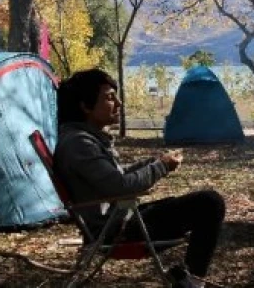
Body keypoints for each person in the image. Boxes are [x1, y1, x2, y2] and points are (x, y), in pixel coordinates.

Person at [54, 69, 226, 288]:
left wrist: (153, 162)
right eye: (109, 97)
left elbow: (114, 176)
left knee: (197, 203)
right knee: (209, 203)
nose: (119, 103)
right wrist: (161, 167)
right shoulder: (79, 144)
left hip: (119, 221)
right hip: (116, 232)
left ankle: (189, 281)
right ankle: (192, 284)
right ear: (85, 106)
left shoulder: (81, 139)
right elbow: (122, 186)